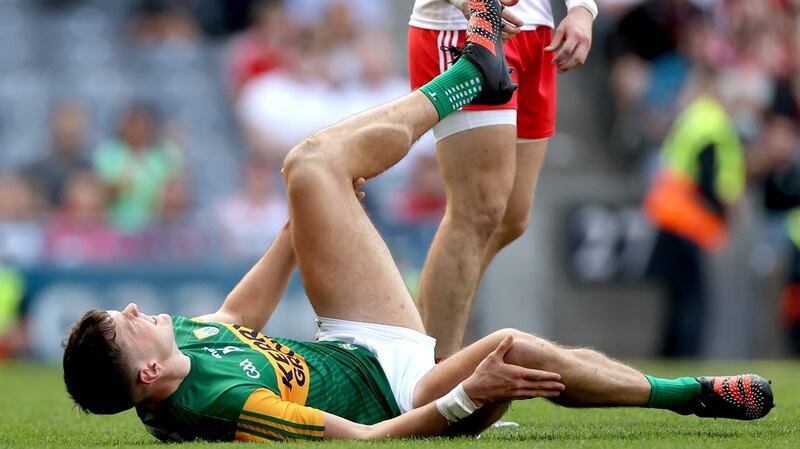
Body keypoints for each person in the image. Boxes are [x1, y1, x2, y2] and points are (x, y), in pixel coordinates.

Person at [63, 1, 773, 443]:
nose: (134, 308)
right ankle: (691, 397)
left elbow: (235, 315)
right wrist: (468, 393)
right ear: (149, 371)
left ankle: (474, 73)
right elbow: (360, 442)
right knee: (514, 345)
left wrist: (295, 235)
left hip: (356, 337)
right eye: (125, 322)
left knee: (311, 170)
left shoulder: (178, 348)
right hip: (403, 396)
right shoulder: (223, 405)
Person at [408, 0, 597, 359]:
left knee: (511, 216)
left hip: (536, 31)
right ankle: (432, 377)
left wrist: (582, 11)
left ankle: (418, 350)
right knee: (477, 210)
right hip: (465, 26)